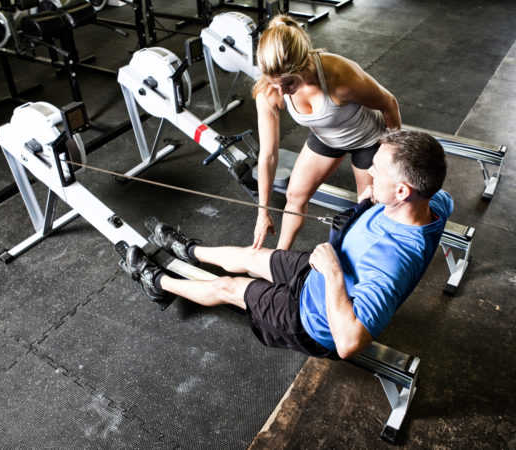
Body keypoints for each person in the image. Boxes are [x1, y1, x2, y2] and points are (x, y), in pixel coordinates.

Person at [126, 130, 451, 359]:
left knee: (229, 287)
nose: (368, 172)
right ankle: (190, 251)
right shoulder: (434, 204)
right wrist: (378, 195)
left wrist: (334, 275)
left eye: (376, 171)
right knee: (253, 256)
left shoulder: (390, 262)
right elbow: (442, 196)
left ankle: (157, 282)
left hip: (310, 318)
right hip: (319, 273)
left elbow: (349, 343)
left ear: (402, 192)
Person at [252, 14, 401, 251]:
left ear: (303, 66)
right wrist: (263, 211)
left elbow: (389, 103)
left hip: (367, 139)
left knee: (367, 208)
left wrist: (392, 160)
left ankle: (358, 268)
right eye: (274, 83)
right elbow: (268, 155)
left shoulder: (340, 76)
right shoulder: (269, 91)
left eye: (289, 83)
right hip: (326, 138)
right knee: (295, 195)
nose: (281, 92)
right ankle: (278, 258)